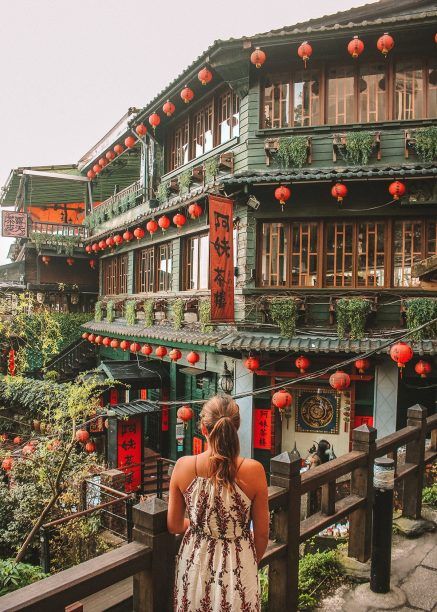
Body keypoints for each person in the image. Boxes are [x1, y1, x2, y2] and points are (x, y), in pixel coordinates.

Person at [168, 394, 269, 612]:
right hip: (239, 560)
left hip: (194, 560)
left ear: (203, 429)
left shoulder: (183, 466)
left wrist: (201, 528)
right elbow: (262, 533)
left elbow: (174, 525)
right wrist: (249, 560)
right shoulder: (254, 471)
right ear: (237, 427)